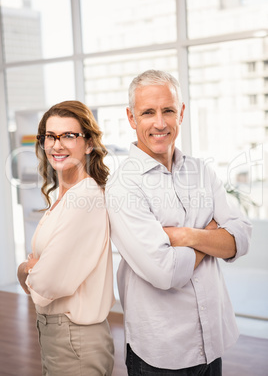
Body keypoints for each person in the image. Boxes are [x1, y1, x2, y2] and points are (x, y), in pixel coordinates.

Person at [105, 70, 252, 375]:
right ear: (132, 118)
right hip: (161, 353)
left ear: (181, 113)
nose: (160, 123)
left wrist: (185, 236)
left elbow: (241, 238)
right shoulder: (124, 186)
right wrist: (211, 235)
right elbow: (166, 272)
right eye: (148, 112)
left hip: (212, 344)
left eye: (168, 110)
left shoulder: (201, 171)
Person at [17, 100, 115, 376]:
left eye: (69, 136)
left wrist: (25, 269)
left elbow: (45, 282)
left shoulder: (84, 199)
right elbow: (40, 279)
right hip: (58, 336)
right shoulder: (65, 197)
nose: (57, 145)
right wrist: (33, 271)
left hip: (76, 340)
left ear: (89, 143)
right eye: (50, 136)